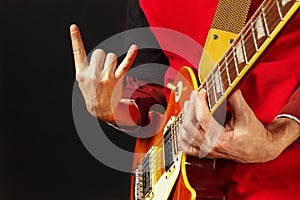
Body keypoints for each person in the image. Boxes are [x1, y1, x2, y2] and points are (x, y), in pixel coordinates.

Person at [70, 0, 300, 199]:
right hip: (183, 182)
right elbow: (150, 78)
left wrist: (279, 136)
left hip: (280, 178)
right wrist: (114, 108)